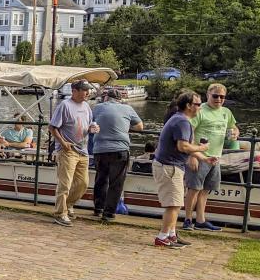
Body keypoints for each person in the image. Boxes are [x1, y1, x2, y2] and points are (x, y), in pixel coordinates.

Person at [153, 91, 209, 248]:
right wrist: (202, 147)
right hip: (169, 167)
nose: (200, 107)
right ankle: (162, 237)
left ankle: (171, 235)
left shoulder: (179, 119)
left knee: (176, 203)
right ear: (189, 106)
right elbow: (182, 146)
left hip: (172, 166)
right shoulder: (182, 122)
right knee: (173, 204)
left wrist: (203, 157)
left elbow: (185, 146)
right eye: (198, 104)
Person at [184, 83, 239, 231]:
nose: (219, 99)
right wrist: (193, 155)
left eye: (222, 96)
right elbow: (189, 132)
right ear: (208, 94)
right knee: (194, 189)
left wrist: (235, 133)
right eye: (215, 96)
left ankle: (201, 220)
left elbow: (234, 127)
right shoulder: (199, 110)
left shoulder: (226, 112)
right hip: (200, 156)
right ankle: (188, 220)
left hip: (216, 157)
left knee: (206, 190)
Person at [49, 79, 99, 226]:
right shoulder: (65, 105)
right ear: (74, 91)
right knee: (65, 183)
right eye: (84, 90)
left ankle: (68, 205)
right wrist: (63, 143)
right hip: (68, 150)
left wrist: (92, 128)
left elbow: (90, 123)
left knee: (83, 183)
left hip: (83, 150)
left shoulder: (86, 106)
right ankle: (60, 213)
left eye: (88, 90)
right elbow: (52, 127)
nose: (87, 93)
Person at [91, 87, 143, 221]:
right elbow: (140, 127)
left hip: (100, 149)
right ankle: (108, 213)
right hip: (120, 149)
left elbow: (90, 122)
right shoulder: (128, 109)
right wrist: (126, 127)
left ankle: (98, 208)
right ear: (120, 100)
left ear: (106, 98)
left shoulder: (97, 108)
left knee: (101, 179)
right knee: (116, 182)